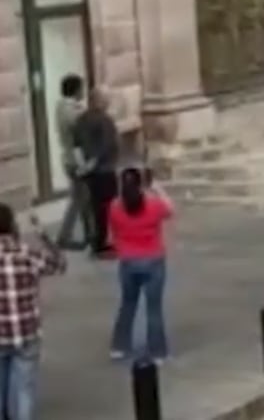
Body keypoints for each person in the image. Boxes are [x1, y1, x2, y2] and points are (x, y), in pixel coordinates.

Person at [0, 203, 64, 420]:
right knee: (24, 389)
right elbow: (59, 264)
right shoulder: (27, 253)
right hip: (26, 331)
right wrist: (42, 234)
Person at [108, 168, 173, 362]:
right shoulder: (153, 205)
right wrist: (157, 188)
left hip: (128, 262)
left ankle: (119, 346)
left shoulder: (115, 207)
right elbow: (170, 209)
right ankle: (157, 352)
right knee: (154, 308)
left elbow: (113, 234)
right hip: (153, 260)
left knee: (128, 304)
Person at [72, 87, 119, 258]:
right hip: (104, 170)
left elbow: (76, 145)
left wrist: (83, 165)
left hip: (88, 171)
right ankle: (103, 242)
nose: (108, 101)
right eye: (106, 98)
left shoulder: (80, 120)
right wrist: (93, 163)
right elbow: (106, 145)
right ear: (98, 100)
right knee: (108, 207)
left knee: (94, 207)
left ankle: (96, 241)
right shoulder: (105, 120)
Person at [55, 74, 93, 250]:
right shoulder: (69, 110)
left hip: (71, 158)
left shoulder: (62, 107)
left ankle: (88, 233)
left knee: (82, 198)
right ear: (76, 90)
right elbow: (79, 126)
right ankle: (65, 236)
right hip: (75, 160)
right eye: (81, 88)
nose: (83, 92)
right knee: (79, 199)